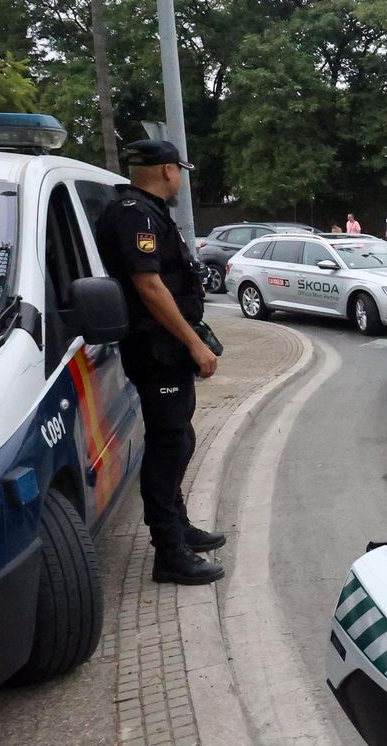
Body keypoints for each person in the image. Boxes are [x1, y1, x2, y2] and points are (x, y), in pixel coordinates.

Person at [95, 139, 226, 586]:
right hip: (157, 349)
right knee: (169, 445)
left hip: (164, 348)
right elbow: (149, 286)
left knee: (178, 439)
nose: (181, 179)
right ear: (168, 170)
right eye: (180, 171)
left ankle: (180, 527)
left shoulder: (146, 209)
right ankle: (169, 552)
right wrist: (194, 343)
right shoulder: (135, 214)